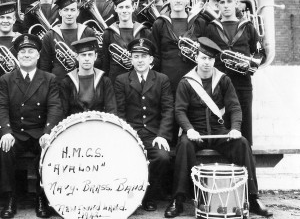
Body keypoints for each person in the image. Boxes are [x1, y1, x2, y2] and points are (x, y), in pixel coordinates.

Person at [164, 37, 272, 218]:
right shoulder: (186, 82)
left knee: (243, 144)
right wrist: (189, 129)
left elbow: (235, 107)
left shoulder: (223, 80)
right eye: (203, 58)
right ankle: (179, 199)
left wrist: (235, 128)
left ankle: (253, 197)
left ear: (215, 61)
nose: (207, 62)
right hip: (195, 133)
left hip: (219, 132)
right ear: (196, 58)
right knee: (183, 146)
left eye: (211, 59)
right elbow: (180, 111)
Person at [0, 34, 63, 218]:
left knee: (48, 149)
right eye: (23, 51)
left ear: (38, 55)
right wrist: (6, 131)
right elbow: (0, 107)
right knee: (5, 148)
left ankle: (42, 198)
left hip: (39, 132)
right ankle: (10, 198)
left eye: (31, 51)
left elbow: (55, 107)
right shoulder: (6, 79)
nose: (26, 55)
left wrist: (48, 132)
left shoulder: (49, 78)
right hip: (16, 132)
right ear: (17, 55)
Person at [114, 38, 174, 212]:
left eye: (144, 56)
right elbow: (120, 112)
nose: (140, 60)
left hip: (154, 134)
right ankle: (127, 196)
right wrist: (126, 136)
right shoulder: (121, 80)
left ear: (151, 59)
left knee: (162, 157)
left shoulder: (162, 79)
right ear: (131, 59)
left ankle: (149, 196)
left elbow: (168, 110)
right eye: (136, 56)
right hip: (130, 133)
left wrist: (162, 135)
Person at [204, 0, 263, 145]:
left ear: (235, 3)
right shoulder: (211, 27)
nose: (226, 5)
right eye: (222, 2)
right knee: (223, 126)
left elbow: (259, 52)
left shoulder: (248, 26)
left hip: (243, 84)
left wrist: (251, 64)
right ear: (217, 6)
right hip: (219, 85)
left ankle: (246, 165)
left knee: (244, 126)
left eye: (229, 1)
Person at [151, 0, 206, 96]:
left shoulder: (198, 22)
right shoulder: (159, 23)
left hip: (194, 83)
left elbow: (205, 54)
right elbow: (156, 55)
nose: (178, 0)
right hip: (167, 84)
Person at [39, 0, 96, 82]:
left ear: (78, 12)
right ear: (60, 12)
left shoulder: (87, 32)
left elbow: (98, 60)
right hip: (58, 83)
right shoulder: (50, 35)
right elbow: (44, 65)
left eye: (73, 10)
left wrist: (78, 61)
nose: (69, 14)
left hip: (82, 83)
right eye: (66, 10)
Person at [102, 0, 151, 83]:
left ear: (133, 8)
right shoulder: (108, 33)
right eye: (121, 7)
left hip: (139, 81)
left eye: (127, 7)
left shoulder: (144, 32)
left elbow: (151, 58)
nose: (124, 11)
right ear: (115, 9)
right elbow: (105, 63)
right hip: (115, 81)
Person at [60, 37, 116, 116]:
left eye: (90, 55)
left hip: (98, 125)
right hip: (75, 125)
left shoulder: (105, 81)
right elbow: (63, 112)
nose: (87, 59)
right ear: (77, 56)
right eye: (83, 55)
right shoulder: (67, 82)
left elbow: (112, 110)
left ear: (95, 56)